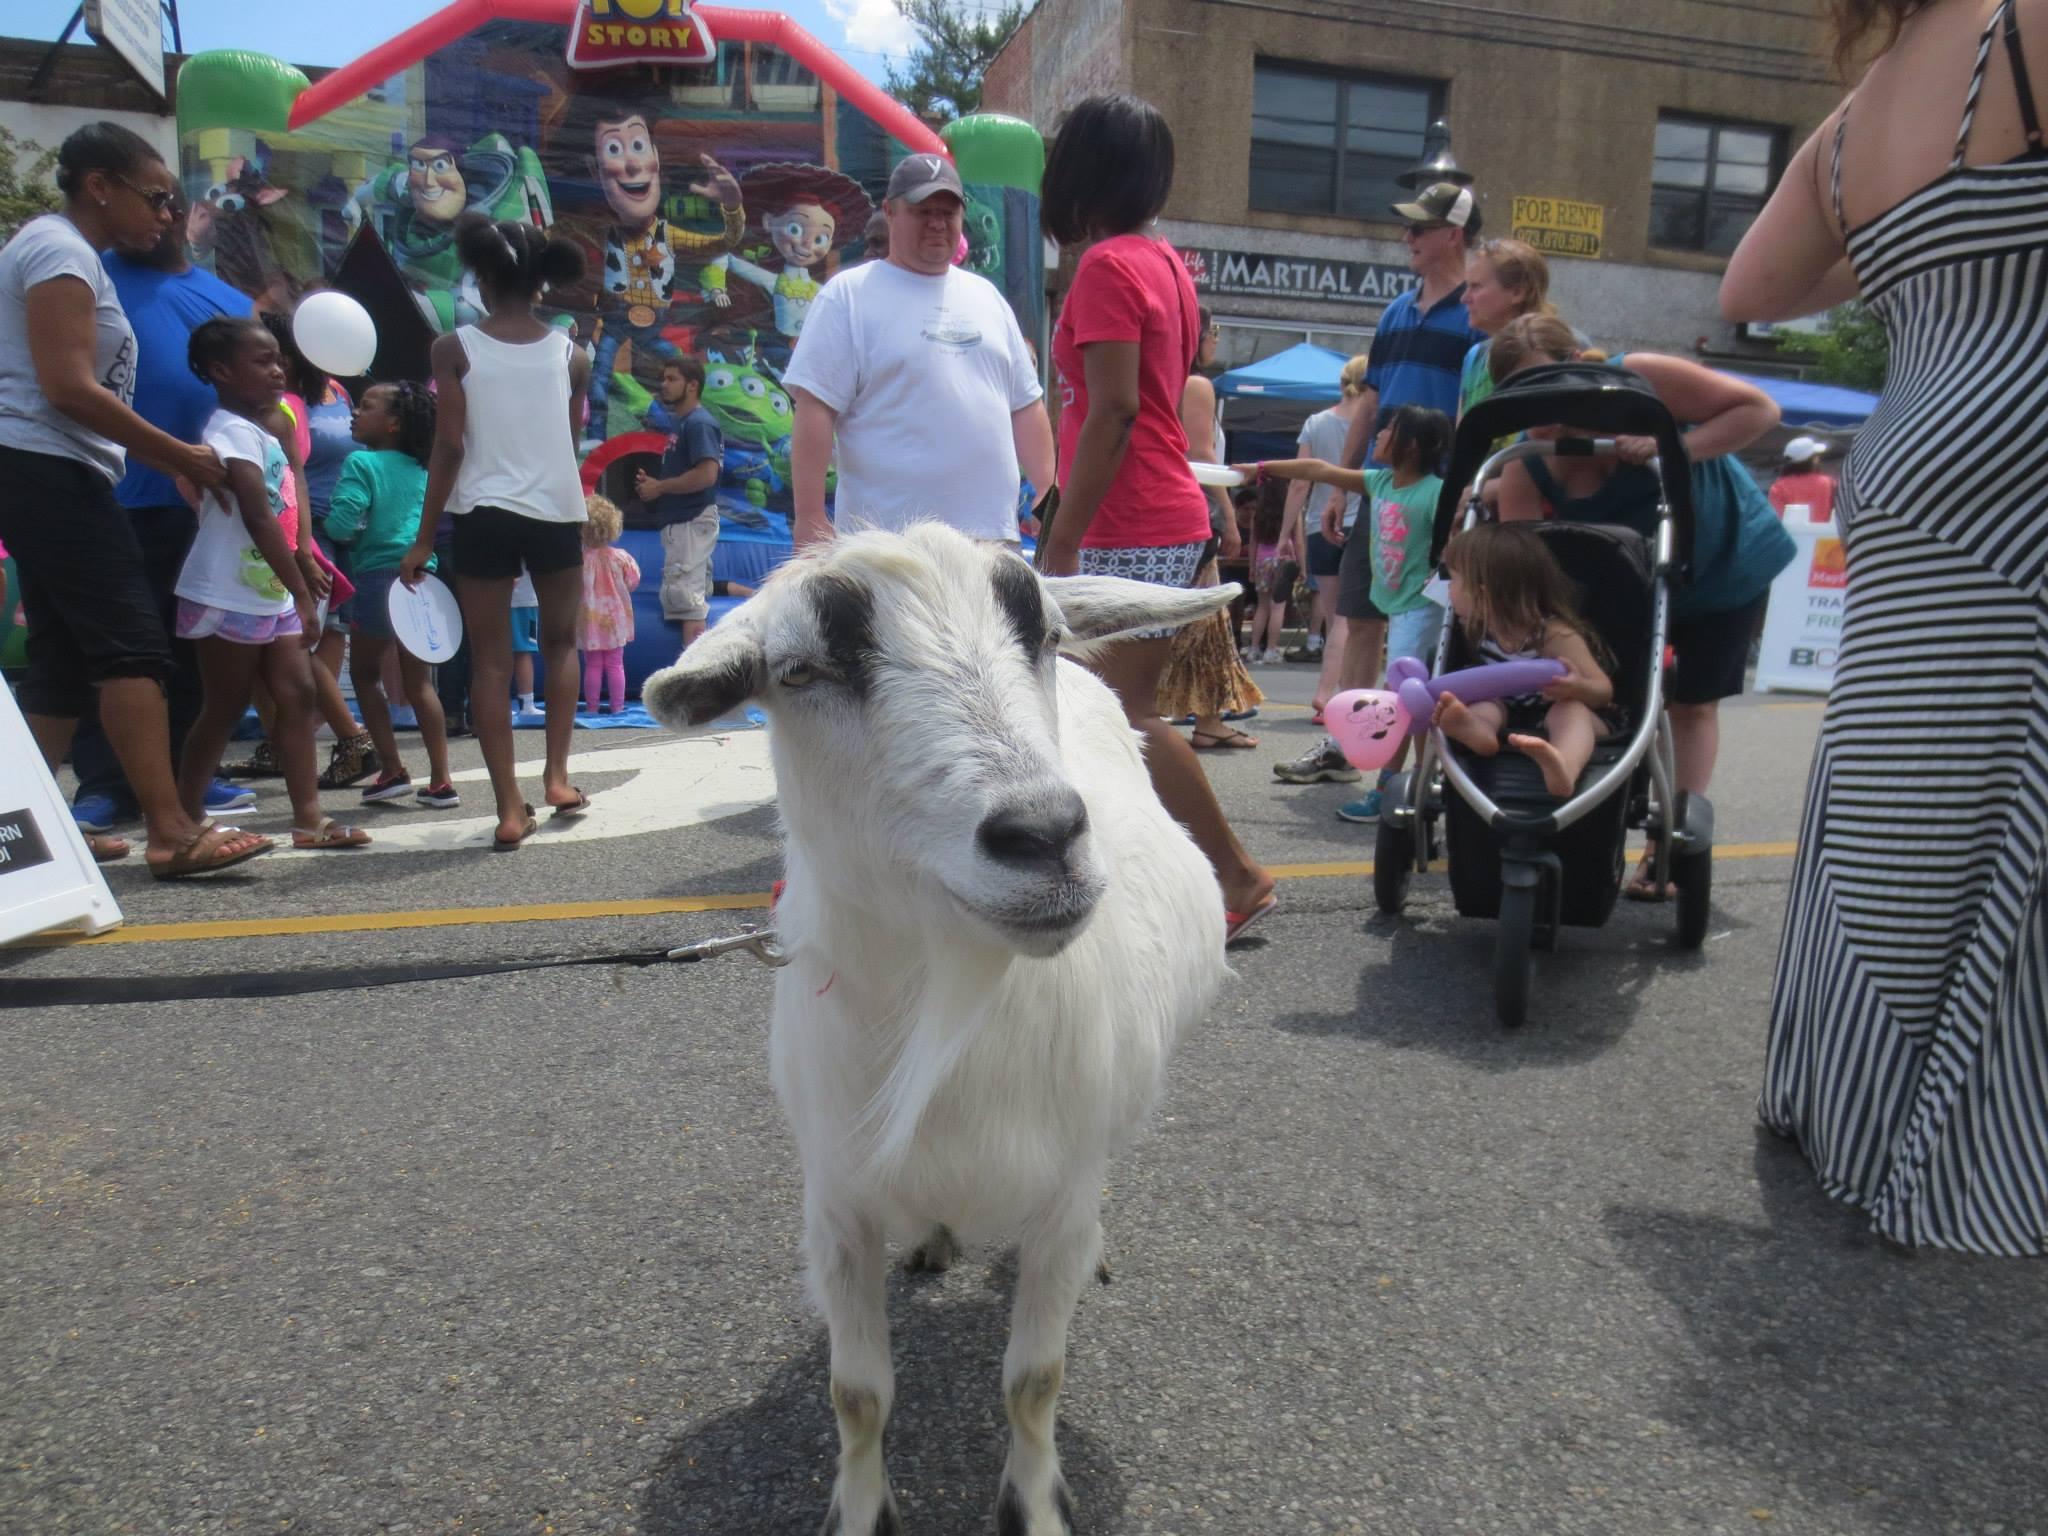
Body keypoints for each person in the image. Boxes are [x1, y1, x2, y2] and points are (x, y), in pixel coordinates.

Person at [1724, 0, 2048, 1255]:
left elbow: (1752, 284)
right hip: (2018, 436)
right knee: (1998, 792)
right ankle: (1957, 1131)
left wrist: (1918, 242)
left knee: (1890, 782)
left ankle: (1846, 1103)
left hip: (1907, 451)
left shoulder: (1859, 116)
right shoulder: (2022, 28)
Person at [0, 122, 272, 877]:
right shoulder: (59, 249)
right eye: (154, 198)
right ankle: (171, 830)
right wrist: (176, 453)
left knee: (59, 660)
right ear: (100, 187)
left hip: (46, 468)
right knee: (132, 649)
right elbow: (66, 386)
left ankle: (26, 823)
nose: (166, 214)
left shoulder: (62, 250)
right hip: (49, 465)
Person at [1036, 92, 1276, 942]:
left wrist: (1061, 537)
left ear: (1081, 170)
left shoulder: (1105, 267)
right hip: (1157, 512)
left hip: (1127, 520)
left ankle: (1236, 875)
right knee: (1100, 716)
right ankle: (1144, 875)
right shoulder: (1164, 260)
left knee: (1117, 720)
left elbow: (1113, 413)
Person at [1485, 314, 1793, 898]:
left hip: (1721, 560)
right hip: (1628, 582)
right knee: (1627, 697)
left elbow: (1758, 411)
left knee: (1694, 702)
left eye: (1554, 385)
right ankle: (1585, 815)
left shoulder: (1640, 377)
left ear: (1579, 363)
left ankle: (1669, 844)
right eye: (1531, 396)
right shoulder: (1527, 462)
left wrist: (1671, 446)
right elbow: (1524, 570)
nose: (1547, 407)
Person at [68, 183, 258, 838]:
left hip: (206, 509)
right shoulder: (93, 278)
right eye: (154, 202)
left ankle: (190, 775)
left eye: (169, 204)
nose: (165, 216)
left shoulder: (229, 302)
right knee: (114, 650)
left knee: (193, 650)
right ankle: (101, 784)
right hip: (111, 495)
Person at [1282, 184, 1483, 801]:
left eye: (1420, 229)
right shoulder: (1398, 311)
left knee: (1438, 625)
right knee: (1360, 615)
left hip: (1443, 495)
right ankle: (1348, 745)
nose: (1408, 238)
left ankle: (1425, 763)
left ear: (1454, 234)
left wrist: (1469, 492)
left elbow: (1479, 403)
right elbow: (1370, 400)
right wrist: (1342, 487)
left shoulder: (1478, 311)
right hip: (1384, 487)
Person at [400, 214, 593, 851]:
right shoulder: (574, 355)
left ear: (479, 277)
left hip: (482, 511)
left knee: (488, 664)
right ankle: (558, 778)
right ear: (542, 282)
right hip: (557, 510)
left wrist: (424, 537)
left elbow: (449, 446)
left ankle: (510, 808)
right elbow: (566, 439)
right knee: (560, 644)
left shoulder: (453, 349)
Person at [785, 153, 1054, 548]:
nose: (937, 223)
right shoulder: (848, 295)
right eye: (923, 210)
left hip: (991, 543)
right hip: (887, 550)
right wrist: (809, 518)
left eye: (947, 212)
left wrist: (1050, 500)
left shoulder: (987, 297)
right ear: (890, 212)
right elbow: (815, 410)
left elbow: (1026, 408)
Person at [173, 318, 368, 851]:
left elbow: (290, 499)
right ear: (221, 372)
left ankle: (309, 819)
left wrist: (304, 559)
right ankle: (184, 816)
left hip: (270, 589)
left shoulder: (268, 428)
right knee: (225, 704)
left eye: (279, 359)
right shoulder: (229, 432)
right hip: (226, 592)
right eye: (262, 362)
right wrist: (303, 591)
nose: (278, 369)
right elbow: (258, 517)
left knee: (299, 692)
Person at [1246, 404, 1452, 820]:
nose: (1376, 437)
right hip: (1398, 607)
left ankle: (1392, 789)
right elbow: (1319, 469)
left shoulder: (1434, 493)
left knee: (1401, 704)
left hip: (1420, 612)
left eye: (1386, 431)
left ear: (1410, 445)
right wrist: (1260, 469)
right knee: (1409, 704)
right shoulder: (1379, 482)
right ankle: (1423, 784)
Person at [326, 380, 457, 810]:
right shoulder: (423, 469)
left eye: (366, 406)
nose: (355, 413)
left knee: (365, 674)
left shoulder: (361, 463)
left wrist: (332, 530)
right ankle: (441, 780)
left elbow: (343, 523)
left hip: (376, 577)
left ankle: (392, 769)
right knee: (419, 683)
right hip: (421, 578)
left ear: (393, 423)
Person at [1429, 523, 1616, 797]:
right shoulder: (1478, 629)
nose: (1448, 590)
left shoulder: (1554, 635)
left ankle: (1563, 766)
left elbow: (1604, 690)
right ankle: (1478, 731)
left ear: (1482, 593)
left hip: (1562, 711)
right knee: (1485, 701)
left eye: (1454, 580)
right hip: (1508, 709)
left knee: (1570, 710)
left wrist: (1576, 687)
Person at [1162, 307, 1263, 750]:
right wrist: (1227, 515)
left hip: (1161, 511)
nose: (1215, 340)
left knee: (1184, 617)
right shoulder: (1195, 385)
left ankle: (1203, 715)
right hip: (1194, 509)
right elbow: (1201, 457)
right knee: (1207, 618)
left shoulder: (1158, 379)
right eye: (1212, 332)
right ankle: (1207, 719)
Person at [1277, 355, 1370, 705]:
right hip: (1358, 522)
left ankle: (1335, 691)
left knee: (1335, 619)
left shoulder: (1316, 423)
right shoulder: (1373, 424)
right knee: (1354, 619)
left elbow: (1300, 483)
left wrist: (1286, 532)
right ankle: (1330, 694)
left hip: (1318, 527)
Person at [634, 356, 721, 645]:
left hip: (690, 521)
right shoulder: (680, 423)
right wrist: (655, 486)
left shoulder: (698, 423)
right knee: (684, 597)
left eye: (672, 379)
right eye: (663, 378)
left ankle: (694, 680)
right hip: (682, 523)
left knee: (689, 602)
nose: (664, 384)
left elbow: (707, 475)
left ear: (693, 385)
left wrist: (661, 487)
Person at [1455, 237, 1560, 420]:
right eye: (1467, 287)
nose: (1464, 298)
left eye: (1476, 286)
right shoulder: (1475, 356)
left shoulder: (1557, 348)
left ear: (1518, 292)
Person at [578, 493, 641, 715]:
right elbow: (633, 580)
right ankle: (617, 706)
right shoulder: (621, 557)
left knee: (593, 664)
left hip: (590, 619)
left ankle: (592, 707)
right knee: (615, 664)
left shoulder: (581, 560)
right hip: (615, 618)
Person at [1241, 477, 1295, 664]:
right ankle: (1271, 649)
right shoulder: (1290, 513)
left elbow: (1253, 542)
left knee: (1262, 607)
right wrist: (1301, 566)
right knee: (1278, 606)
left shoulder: (1259, 514)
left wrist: (1251, 567)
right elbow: (1300, 542)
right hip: (1283, 560)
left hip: (1262, 561)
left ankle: (1253, 648)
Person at [1767, 436, 1837, 522]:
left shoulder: (1778, 488)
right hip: (1828, 534)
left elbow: (1776, 520)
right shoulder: (1829, 483)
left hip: (1791, 535)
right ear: (1814, 460)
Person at [508, 568, 542, 724]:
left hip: (494, 597)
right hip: (524, 599)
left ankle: (501, 703)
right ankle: (526, 704)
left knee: (496, 652)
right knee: (523, 651)